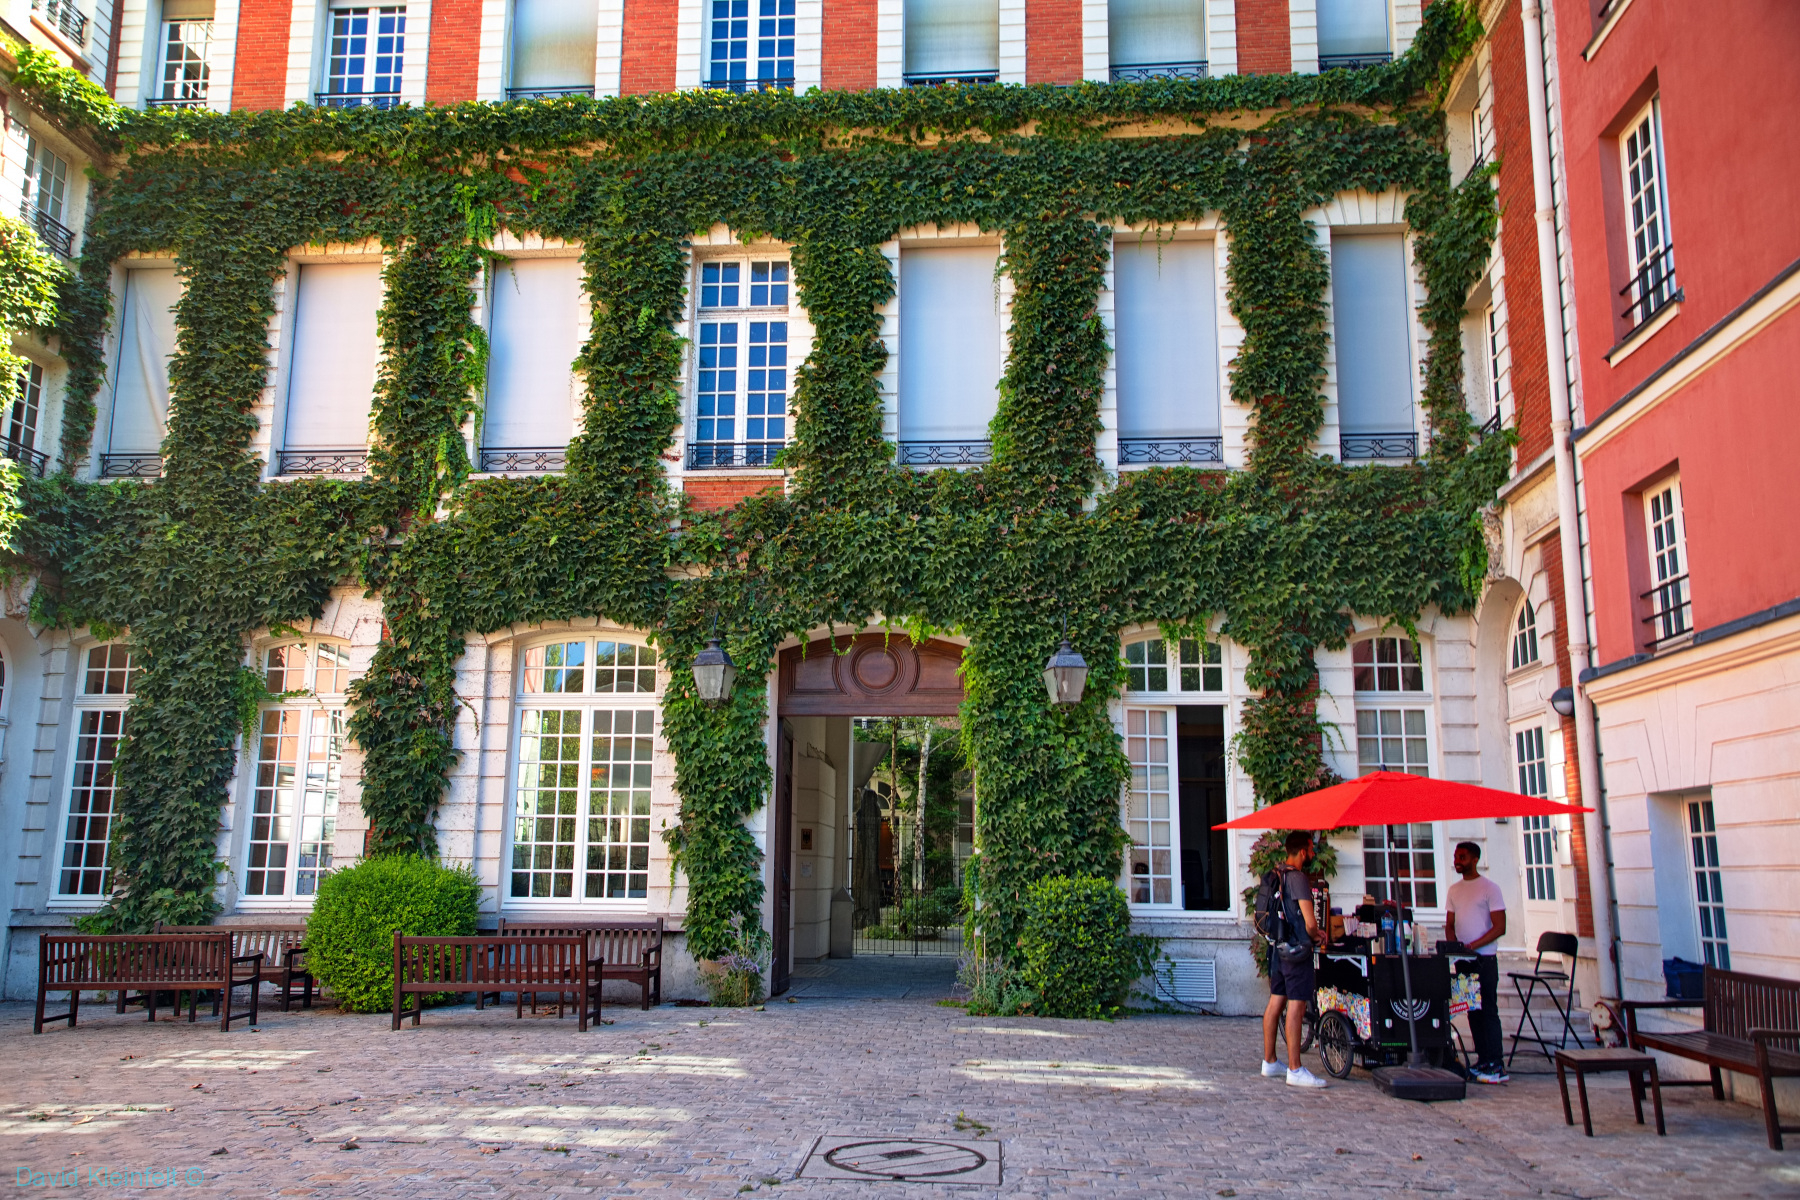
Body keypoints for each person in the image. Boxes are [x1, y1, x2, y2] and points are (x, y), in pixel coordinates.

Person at [1260, 830, 1328, 1088]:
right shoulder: (1298, 878)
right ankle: (1295, 1069)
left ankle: (1269, 1061)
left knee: (1276, 1001)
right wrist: (1317, 935)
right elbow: (1309, 922)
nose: (1312, 853)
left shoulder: (1277, 873)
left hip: (1277, 948)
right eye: (1311, 849)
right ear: (1302, 851)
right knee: (1296, 1006)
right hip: (1297, 951)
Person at [1446, 840, 1509, 1084]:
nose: (1457, 861)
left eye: (1462, 857)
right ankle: (1483, 1059)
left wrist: (1474, 946)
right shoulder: (1454, 890)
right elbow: (1450, 924)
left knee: (1488, 1010)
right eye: (1455, 856)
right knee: (1472, 1010)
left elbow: (1500, 927)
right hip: (1463, 959)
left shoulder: (1490, 888)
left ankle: (1496, 1063)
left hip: (1484, 958)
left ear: (1475, 859)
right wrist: (1454, 947)